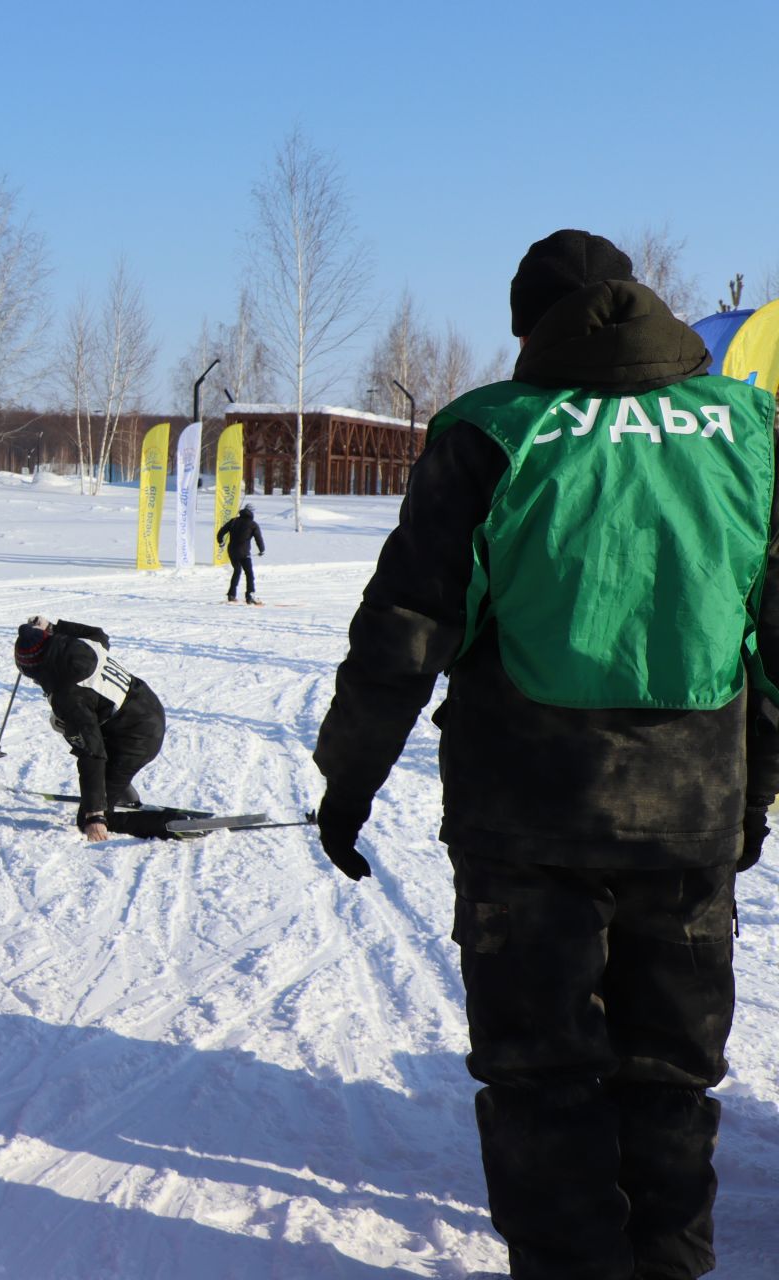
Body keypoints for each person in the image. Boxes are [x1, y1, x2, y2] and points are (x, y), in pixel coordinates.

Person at [312, 229, 779, 1280]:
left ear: (529, 324)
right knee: (669, 1071)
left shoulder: (490, 430)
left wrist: (348, 780)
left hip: (524, 810)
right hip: (693, 805)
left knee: (542, 1074)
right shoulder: (752, 428)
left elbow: (404, 626)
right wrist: (758, 790)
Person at [13, 616, 170, 840]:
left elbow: (92, 752)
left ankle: (168, 825)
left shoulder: (69, 694)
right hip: (145, 706)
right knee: (61, 723)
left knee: (87, 819)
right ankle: (120, 791)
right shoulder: (77, 644)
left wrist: (95, 814)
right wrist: (51, 628)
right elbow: (100, 634)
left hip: (138, 739)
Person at [216, 503, 265, 604]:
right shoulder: (253, 524)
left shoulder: (233, 521)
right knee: (249, 573)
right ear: (252, 512)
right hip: (244, 553)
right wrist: (262, 550)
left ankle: (231, 595)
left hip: (232, 551)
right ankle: (250, 596)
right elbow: (258, 538)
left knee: (237, 571)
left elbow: (221, 532)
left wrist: (221, 542)